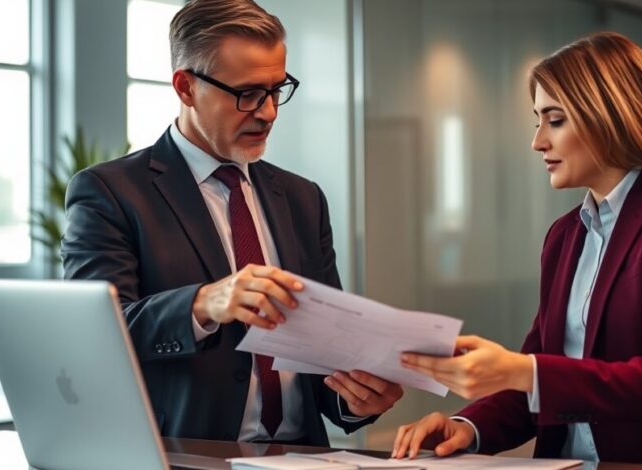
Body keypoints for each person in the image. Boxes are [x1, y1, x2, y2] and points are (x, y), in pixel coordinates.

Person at [393, 32, 642, 468]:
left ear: (610, 115)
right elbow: (546, 377)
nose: (537, 142)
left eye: (555, 119)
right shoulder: (565, 235)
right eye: (537, 121)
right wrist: (467, 428)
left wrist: (520, 370)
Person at [61, 0, 402, 445]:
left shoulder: (303, 199)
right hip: (184, 458)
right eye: (248, 93)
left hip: (302, 457)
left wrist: (354, 400)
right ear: (185, 87)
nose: (269, 112)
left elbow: (323, 356)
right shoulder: (111, 193)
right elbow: (96, 337)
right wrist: (202, 304)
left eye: (277, 89)